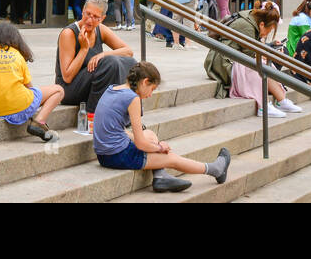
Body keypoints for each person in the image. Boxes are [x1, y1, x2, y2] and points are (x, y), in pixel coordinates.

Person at [93, 62, 231, 193]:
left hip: (103, 154)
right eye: (152, 89)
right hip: (117, 155)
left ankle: (160, 176)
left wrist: (152, 144)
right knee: (170, 158)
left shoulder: (112, 89)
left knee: (150, 134)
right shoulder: (132, 98)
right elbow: (141, 144)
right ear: (145, 81)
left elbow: (120, 131)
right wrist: (160, 148)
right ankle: (215, 170)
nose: (150, 94)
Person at [202, 5, 303, 118]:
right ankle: (263, 106)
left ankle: (281, 101)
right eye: (267, 31)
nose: (266, 35)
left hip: (231, 59)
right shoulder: (247, 26)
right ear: (261, 24)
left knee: (263, 64)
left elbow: (249, 50)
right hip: (222, 63)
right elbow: (249, 55)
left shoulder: (250, 21)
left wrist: (268, 48)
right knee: (258, 66)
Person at [54, 0, 137, 114]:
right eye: (88, 14)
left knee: (131, 63)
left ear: (102, 18)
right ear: (83, 10)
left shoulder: (100, 29)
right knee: (110, 63)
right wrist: (83, 49)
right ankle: (92, 116)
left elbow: (128, 51)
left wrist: (103, 55)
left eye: (96, 17)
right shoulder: (69, 33)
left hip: (92, 86)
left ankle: (126, 114)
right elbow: (67, 77)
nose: (90, 20)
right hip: (68, 90)